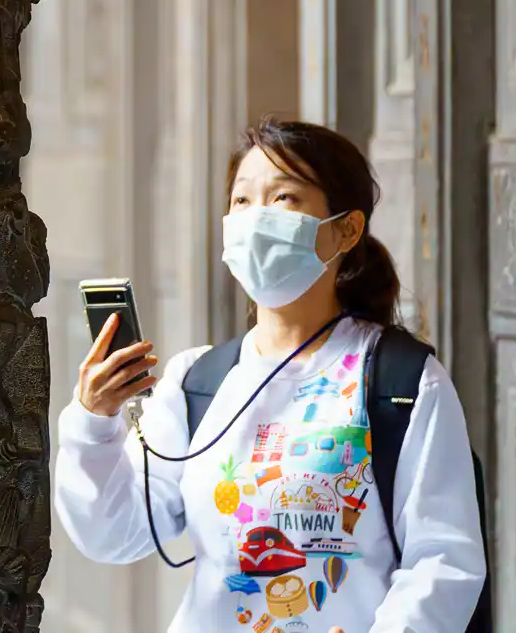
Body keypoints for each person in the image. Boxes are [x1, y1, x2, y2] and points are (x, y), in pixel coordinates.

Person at [54, 118, 486, 633]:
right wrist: (93, 422)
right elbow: (112, 532)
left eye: (284, 198)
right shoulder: (199, 383)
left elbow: (442, 562)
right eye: (242, 201)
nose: (257, 218)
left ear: (346, 230)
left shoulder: (402, 383)